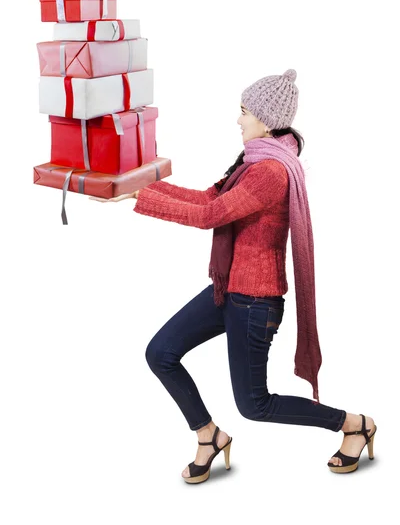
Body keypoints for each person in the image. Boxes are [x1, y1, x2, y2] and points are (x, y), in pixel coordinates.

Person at [90, 68, 377, 482]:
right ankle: (209, 435)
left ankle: (355, 424)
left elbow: (211, 215)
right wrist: (144, 187)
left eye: (243, 112)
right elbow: (212, 197)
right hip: (229, 291)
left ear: (264, 119)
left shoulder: (271, 172)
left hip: (255, 303)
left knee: (254, 406)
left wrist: (145, 200)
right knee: (161, 353)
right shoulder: (256, 159)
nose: (238, 120)